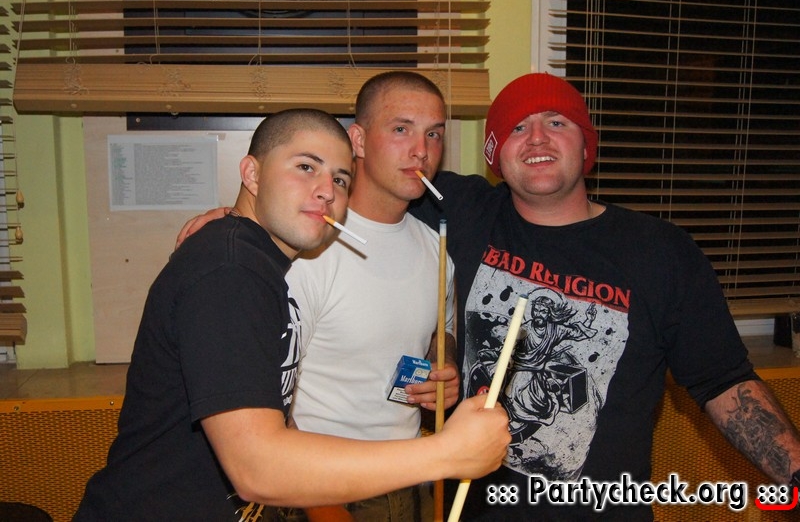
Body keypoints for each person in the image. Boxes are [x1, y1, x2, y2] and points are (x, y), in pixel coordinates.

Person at [74, 108, 510, 522]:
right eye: (305, 167)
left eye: (340, 179)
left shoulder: (260, 266)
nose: (327, 190)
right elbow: (256, 469)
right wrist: (447, 453)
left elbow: (267, 417)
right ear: (252, 174)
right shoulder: (229, 271)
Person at [407, 72, 800, 519]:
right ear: (496, 154)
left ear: (585, 146)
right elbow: (378, 172)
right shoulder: (462, 210)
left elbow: (725, 382)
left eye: (557, 123)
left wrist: (795, 474)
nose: (537, 138)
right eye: (517, 127)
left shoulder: (660, 252)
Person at [177, 71, 460, 522]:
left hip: (409, 477)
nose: (421, 150)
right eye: (401, 129)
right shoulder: (305, 245)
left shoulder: (435, 248)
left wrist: (444, 369)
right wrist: (320, 506)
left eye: (434, 134)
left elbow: (437, 334)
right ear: (359, 140)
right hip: (321, 487)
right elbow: (270, 393)